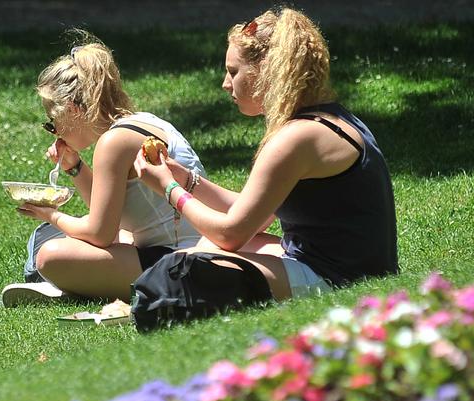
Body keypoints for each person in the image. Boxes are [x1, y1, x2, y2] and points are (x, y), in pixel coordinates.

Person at [130, 7, 398, 321]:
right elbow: (251, 213)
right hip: (344, 267)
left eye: (233, 71)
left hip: (341, 282)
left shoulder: (295, 138)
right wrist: (187, 178)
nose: (225, 84)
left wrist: (168, 187)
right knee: (194, 254)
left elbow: (232, 233)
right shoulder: (329, 118)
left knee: (173, 276)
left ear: (267, 71)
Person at [0, 34, 207, 307]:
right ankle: (84, 282)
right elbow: (110, 217)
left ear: (73, 110)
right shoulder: (143, 122)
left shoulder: (113, 142)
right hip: (185, 244)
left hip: (181, 259)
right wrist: (75, 167)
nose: (55, 131)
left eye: (53, 122)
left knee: (50, 255)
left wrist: (50, 214)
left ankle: (75, 286)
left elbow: (100, 234)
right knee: (59, 237)